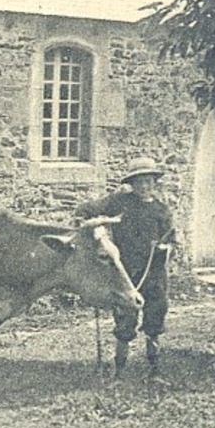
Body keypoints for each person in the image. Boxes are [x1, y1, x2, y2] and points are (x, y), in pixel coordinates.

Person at [76, 156, 176, 375]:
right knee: (124, 322)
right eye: (138, 182)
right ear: (131, 184)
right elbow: (84, 211)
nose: (143, 186)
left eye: (148, 181)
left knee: (154, 321)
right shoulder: (119, 203)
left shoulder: (162, 211)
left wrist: (165, 249)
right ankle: (119, 370)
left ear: (154, 182)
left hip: (154, 275)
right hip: (125, 274)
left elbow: (171, 240)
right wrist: (98, 229)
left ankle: (154, 367)